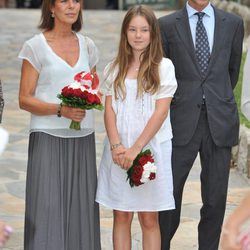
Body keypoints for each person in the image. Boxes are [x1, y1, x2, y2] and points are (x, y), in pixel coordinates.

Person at [158, 0, 244, 249]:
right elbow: (163, 72)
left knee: (215, 200)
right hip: (180, 121)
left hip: (219, 121)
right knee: (169, 196)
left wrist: (214, 97)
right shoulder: (166, 25)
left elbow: (232, 71)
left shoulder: (233, 24)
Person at [18, 0, 101, 249]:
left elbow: (93, 88)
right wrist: (60, 110)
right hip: (47, 137)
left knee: (80, 208)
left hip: (82, 139)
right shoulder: (35, 47)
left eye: (76, 0)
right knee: (47, 207)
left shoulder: (88, 46)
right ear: (51, 8)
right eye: (64, 0)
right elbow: (24, 98)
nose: (72, 6)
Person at [96, 5, 177, 250]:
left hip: (150, 149)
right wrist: (117, 146)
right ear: (125, 33)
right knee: (121, 214)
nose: (138, 35)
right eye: (132, 29)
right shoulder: (114, 68)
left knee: (149, 216)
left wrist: (135, 150)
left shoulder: (164, 67)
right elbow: (109, 110)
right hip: (118, 151)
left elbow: (160, 112)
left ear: (153, 33)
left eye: (144, 30)